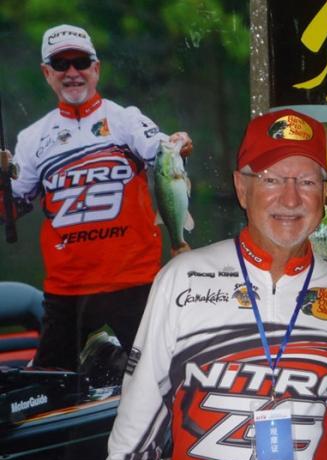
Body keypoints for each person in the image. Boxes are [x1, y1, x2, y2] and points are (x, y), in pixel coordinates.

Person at [101, 108, 327, 460]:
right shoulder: (183, 278)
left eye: (307, 181)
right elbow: (136, 426)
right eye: (271, 179)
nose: (291, 198)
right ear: (242, 187)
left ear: (324, 191)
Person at [0, 24, 193, 371]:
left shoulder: (125, 120)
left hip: (134, 282)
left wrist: (179, 143)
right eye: (61, 64)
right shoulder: (32, 138)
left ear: (96, 68)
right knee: (48, 386)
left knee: (163, 376)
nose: (72, 72)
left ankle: (107, 358)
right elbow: (12, 207)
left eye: (81, 62)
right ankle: (96, 357)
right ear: (47, 73)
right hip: (67, 291)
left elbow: (162, 154)